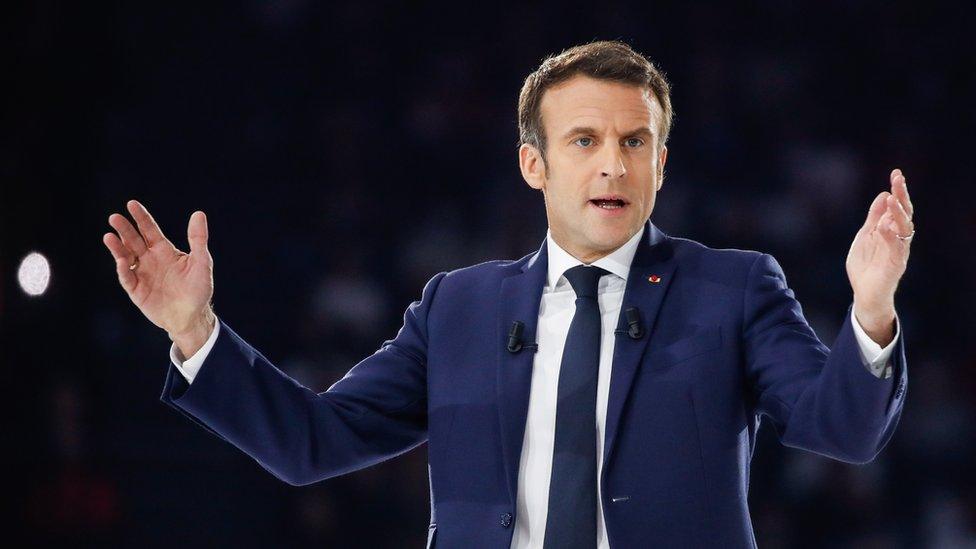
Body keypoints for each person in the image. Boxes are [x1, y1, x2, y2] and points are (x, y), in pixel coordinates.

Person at [101, 41, 912, 548]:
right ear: (536, 165)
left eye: (637, 143)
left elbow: (840, 428)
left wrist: (871, 310)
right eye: (585, 141)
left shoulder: (734, 288)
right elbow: (314, 441)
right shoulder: (458, 307)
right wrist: (195, 329)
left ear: (661, 164)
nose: (613, 165)